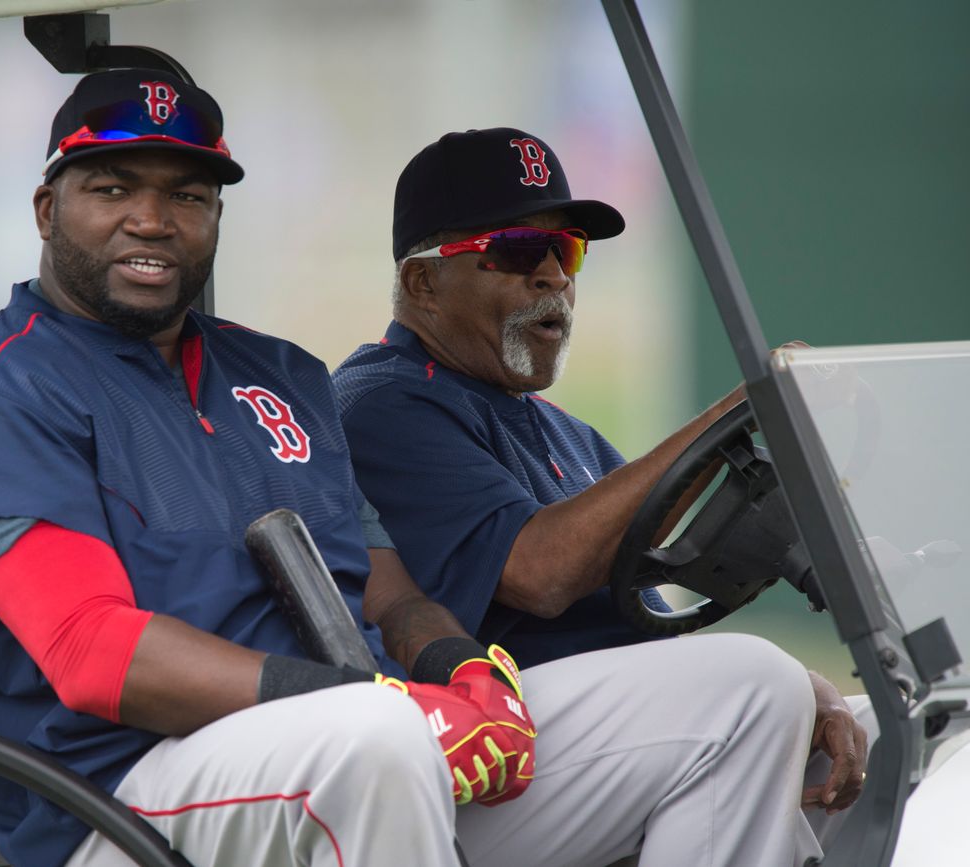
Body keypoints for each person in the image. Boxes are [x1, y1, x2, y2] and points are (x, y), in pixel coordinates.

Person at [0, 77, 829, 867]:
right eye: (114, 187)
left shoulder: (277, 373)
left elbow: (387, 593)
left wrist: (459, 671)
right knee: (376, 744)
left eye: (190, 195)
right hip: (121, 799)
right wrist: (373, 703)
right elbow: (96, 655)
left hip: (354, 754)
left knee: (749, 689)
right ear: (49, 208)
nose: (154, 219)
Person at [331, 126, 870, 837]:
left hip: (589, 746)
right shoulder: (380, 402)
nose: (554, 275)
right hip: (469, 761)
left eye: (567, 249)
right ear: (423, 281)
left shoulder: (562, 431)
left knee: (886, 727)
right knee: (752, 684)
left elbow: (649, 638)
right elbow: (540, 572)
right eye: (519, 250)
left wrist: (816, 690)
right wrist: (742, 408)